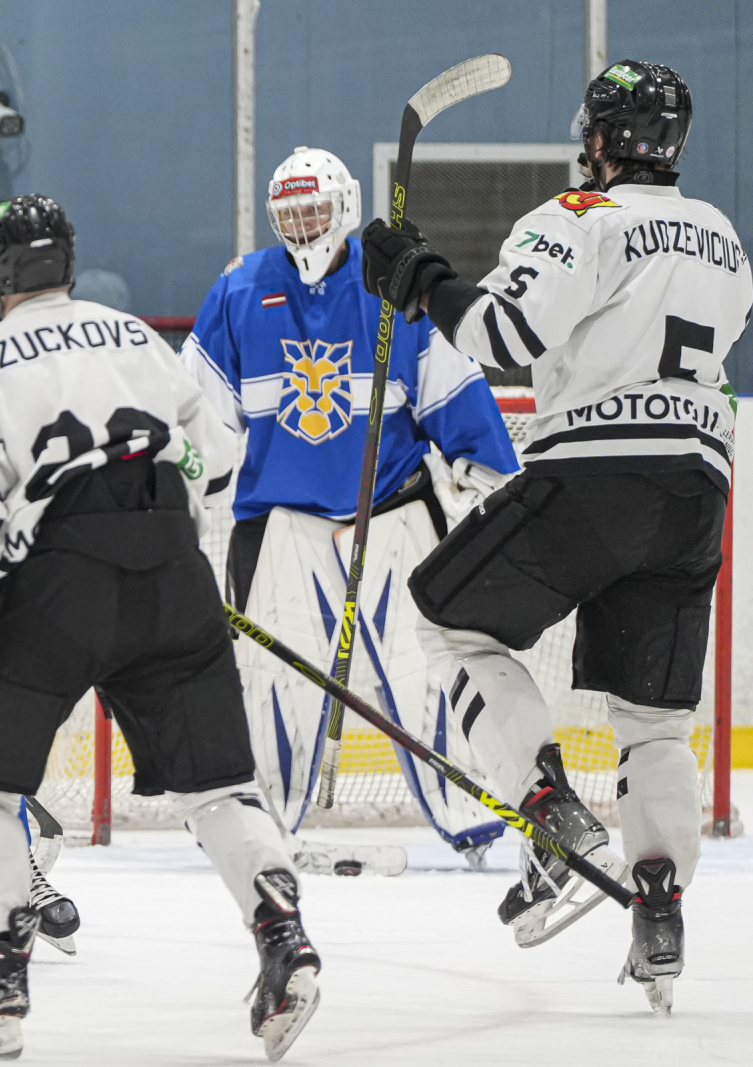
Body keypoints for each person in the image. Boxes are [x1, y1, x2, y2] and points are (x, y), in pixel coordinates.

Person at [361, 61, 751, 1012]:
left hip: (593, 477)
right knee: (654, 719)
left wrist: (418, 279)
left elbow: (502, 336)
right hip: (698, 493)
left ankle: (548, 815)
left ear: (602, 138)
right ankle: (659, 911)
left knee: (449, 619)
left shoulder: (579, 214)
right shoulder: (725, 237)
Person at [0, 196, 319, 1060]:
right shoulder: (137, 338)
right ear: (65, 261)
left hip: (58, 584)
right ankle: (284, 936)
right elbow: (218, 459)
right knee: (220, 786)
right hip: (175, 571)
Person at [181, 146, 521, 867]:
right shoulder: (240, 289)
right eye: (290, 213)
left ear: (344, 207)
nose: (303, 225)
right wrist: (174, 497)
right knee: (273, 682)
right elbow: (196, 416)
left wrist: (490, 475)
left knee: (429, 669)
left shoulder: (392, 286)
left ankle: (474, 819)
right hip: (281, 521)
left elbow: (452, 390)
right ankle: (260, 825)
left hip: (392, 509)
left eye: (314, 210)